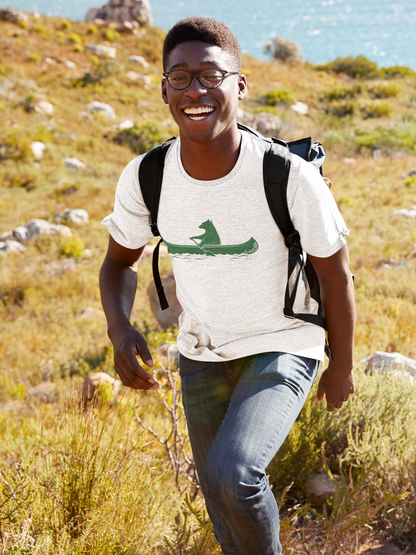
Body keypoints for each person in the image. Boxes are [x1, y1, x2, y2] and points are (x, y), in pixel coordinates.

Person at [100, 17, 355, 555]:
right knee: (218, 497)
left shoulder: (288, 175)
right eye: (180, 77)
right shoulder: (147, 176)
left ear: (238, 84)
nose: (195, 90)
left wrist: (343, 366)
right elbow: (118, 262)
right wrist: (120, 330)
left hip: (284, 342)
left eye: (210, 76)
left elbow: (335, 274)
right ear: (164, 89)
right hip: (201, 352)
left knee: (233, 475)